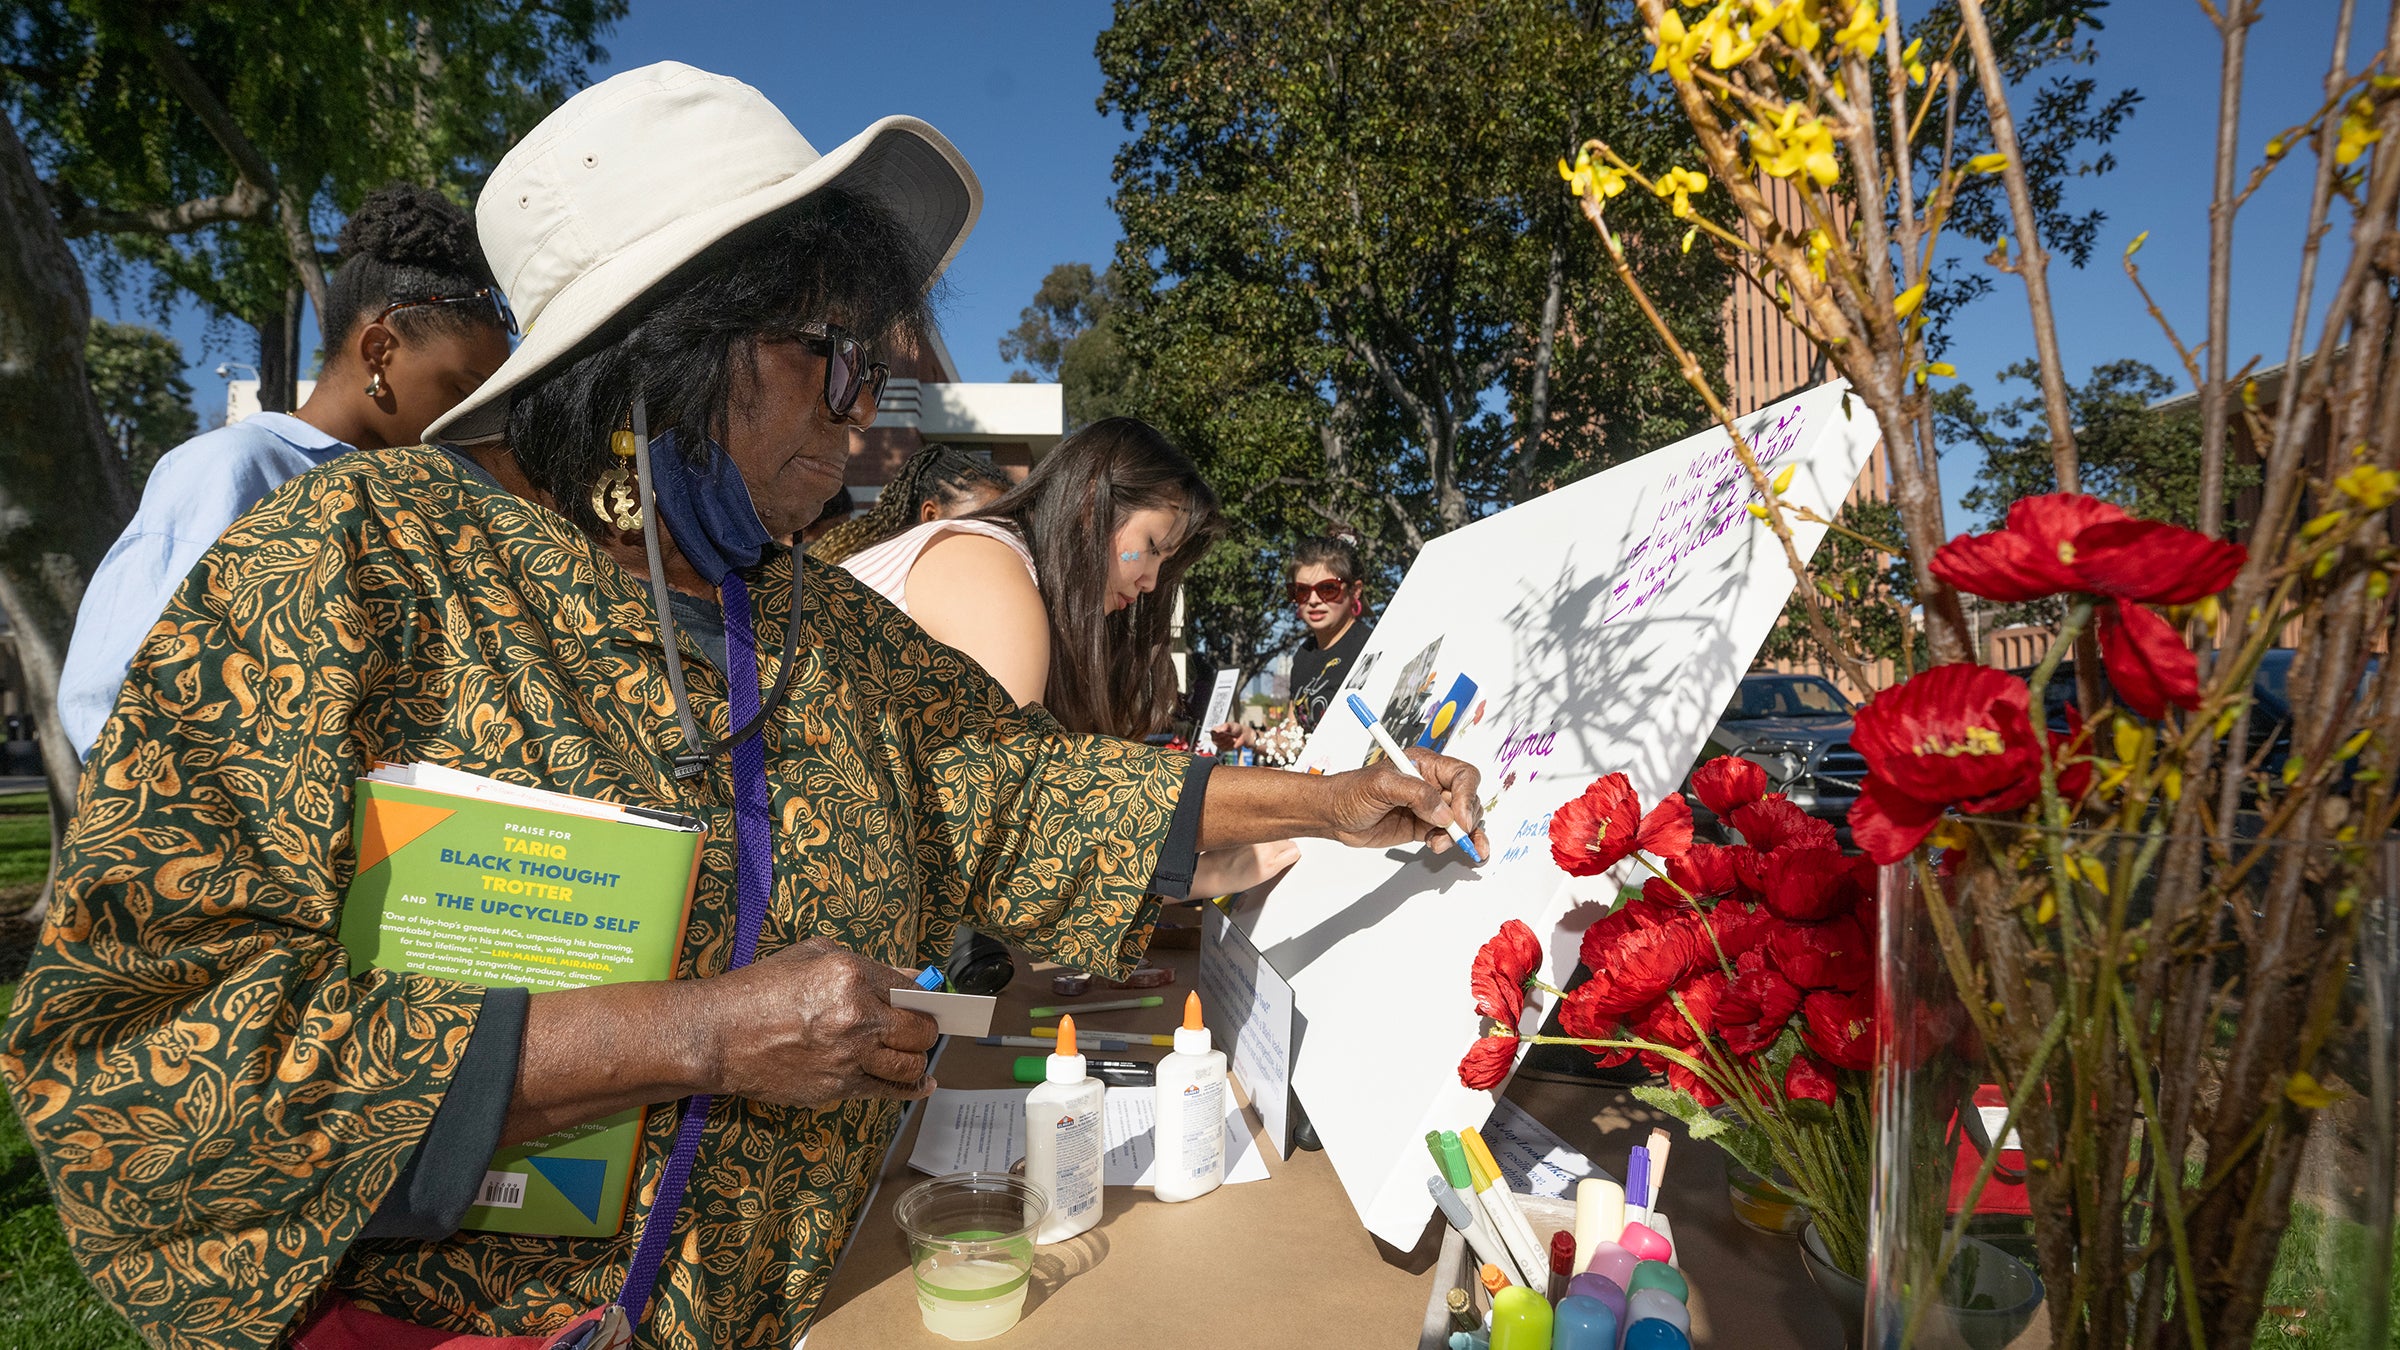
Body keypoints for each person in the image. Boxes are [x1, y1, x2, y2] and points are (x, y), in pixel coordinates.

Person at [1, 63, 1485, 1350]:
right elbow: (128, 1068)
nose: (862, 426)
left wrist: (1337, 802)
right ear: (673, 350)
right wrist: (694, 1034)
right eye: (833, 363)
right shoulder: (352, 568)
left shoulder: (814, 623)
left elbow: (1032, 793)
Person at [54, 183, 514, 758]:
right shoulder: (237, 467)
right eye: (461, 388)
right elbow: (108, 695)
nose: (467, 415)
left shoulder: (423, 495)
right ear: (378, 352)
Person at [842, 416, 1299, 904]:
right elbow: (1013, 816)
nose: (1149, 581)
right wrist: (1204, 874)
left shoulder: (1002, 566)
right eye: (1150, 548)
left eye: (1165, 563)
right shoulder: (990, 567)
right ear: (1089, 506)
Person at [1214, 533, 1377, 753]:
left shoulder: (1371, 647)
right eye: (1301, 591)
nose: (1313, 600)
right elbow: (1295, 740)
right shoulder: (1303, 656)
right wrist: (1249, 736)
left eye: (1327, 588)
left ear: (1355, 590)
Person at [807, 440, 1009, 563]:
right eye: (982, 523)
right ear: (930, 515)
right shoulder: (889, 569)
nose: (997, 535)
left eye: (1006, 524)